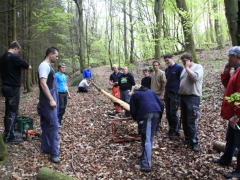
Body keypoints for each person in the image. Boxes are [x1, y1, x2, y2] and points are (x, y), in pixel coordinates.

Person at [212, 46, 240, 179]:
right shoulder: (236, 71)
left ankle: (238, 171)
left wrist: (237, 116)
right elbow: (230, 88)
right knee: (231, 138)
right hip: (233, 115)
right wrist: (226, 73)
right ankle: (225, 160)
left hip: (238, 116)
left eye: (229, 56)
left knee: (239, 142)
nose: (228, 59)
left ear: (235, 56)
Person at [0, 41, 32, 143]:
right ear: (16, 49)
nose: (18, 53)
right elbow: (28, 66)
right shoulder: (14, 57)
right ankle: (9, 136)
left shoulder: (2, 57)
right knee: (12, 111)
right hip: (13, 88)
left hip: (5, 86)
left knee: (8, 110)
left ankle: (9, 132)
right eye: (18, 51)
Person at [130, 84, 163, 172]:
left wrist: (134, 118)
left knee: (146, 139)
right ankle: (145, 155)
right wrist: (160, 117)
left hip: (146, 115)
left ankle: (146, 165)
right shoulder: (151, 92)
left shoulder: (135, 95)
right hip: (157, 113)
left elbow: (132, 110)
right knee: (150, 138)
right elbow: (161, 103)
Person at [38, 47, 60, 163]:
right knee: (53, 126)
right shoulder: (44, 66)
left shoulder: (48, 67)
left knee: (47, 124)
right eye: (56, 56)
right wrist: (51, 99)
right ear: (51, 54)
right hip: (47, 101)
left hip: (50, 99)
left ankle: (46, 147)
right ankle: (54, 153)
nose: (57, 58)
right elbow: (43, 84)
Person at [179, 52, 203, 152]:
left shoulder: (198, 67)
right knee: (184, 119)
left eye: (185, 61)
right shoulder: (184, 70)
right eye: (183, 62)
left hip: (192, 97)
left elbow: (195, 78)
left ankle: (194, 142)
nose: (184, 63)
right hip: (183, 97)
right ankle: (188, 138)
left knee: (191, 120)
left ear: (190, 59)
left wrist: (188, 68)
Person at [164, 54, 183, 137]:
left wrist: (179, 92)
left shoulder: (179, 68)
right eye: (165, 61)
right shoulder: (167, 69)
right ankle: (171, 130)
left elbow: (182, 80)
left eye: (168, 60)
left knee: (173, 112)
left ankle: (177, 130)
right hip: (167, 92)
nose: (166, 62)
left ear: (172, 58)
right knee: (168, 113)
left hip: (175, 93)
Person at [151, 60, 166, 130]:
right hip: (153, 94)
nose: (155, 66)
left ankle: (158, 124)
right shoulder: (153, 74)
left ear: (159, 66)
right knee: (153, 110)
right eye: (154, 65)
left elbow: (164, 84)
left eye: (156, 65)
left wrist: (162, 94)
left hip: (159, 94)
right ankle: (155, 124)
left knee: (160, 109)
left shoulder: (162, 73)